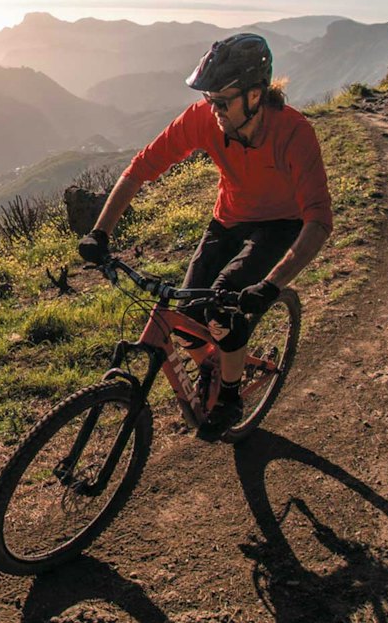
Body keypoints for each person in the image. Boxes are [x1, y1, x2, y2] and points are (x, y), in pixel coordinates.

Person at [78, 33, 333, 442]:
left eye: (222, 101)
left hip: (280, 224)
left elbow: (318, 220)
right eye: (210, 100)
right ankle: (214, 365)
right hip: (228, 220)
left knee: (224, 305)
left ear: (254, 96)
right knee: (187, 318)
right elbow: (142, 167)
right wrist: (99, 233)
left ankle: (230, 397)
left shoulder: (294, 133)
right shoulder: (203, 119)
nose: (212, 110)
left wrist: (272, 285)